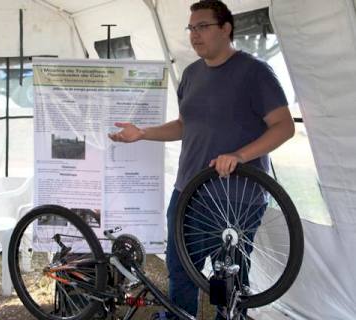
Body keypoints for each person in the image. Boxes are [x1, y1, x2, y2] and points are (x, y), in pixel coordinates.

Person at [108, 1, 294, 318]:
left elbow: (285, 127)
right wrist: (142, 133)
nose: (195, 35)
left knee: (230, 277)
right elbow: (184, 126)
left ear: (226, 29)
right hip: (188, 192)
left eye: (203, 26)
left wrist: (239, 156)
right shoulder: (191, 74)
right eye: (191, 28)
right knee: (180, 269)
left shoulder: (255, 73)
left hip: (235, 198)